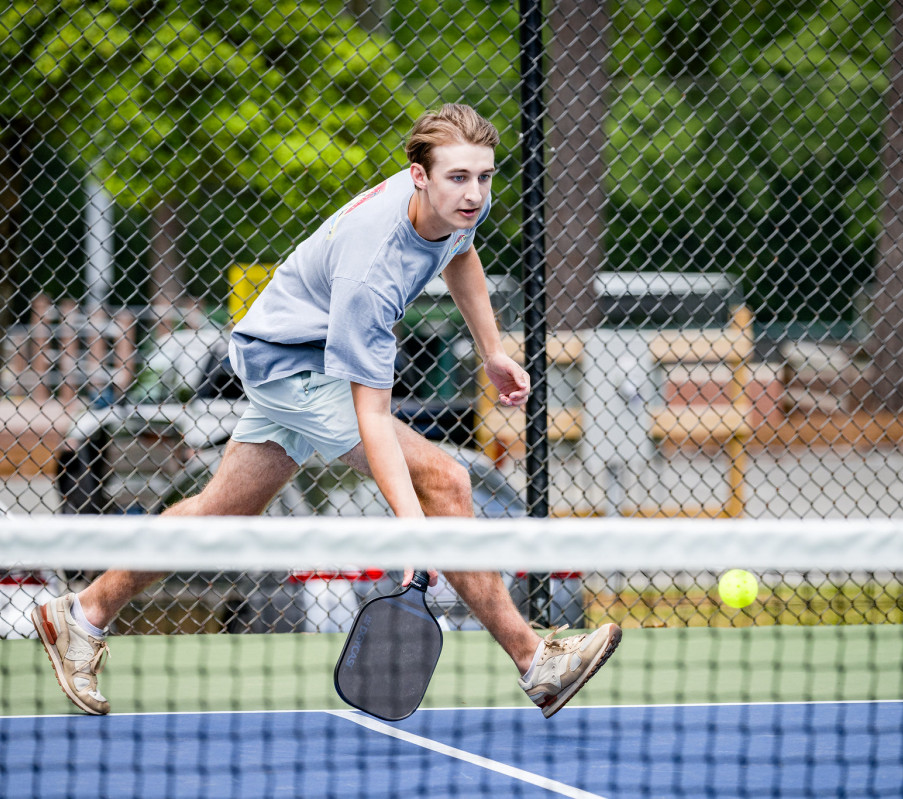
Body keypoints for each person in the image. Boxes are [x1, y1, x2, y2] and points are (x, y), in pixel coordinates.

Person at [31, 103, 621, 719]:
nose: (475, 192)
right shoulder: (374, 269)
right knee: (445, 480)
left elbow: (461, 252)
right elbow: (372, 416)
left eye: (485, 176)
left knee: (218, 513)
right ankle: (536, 662)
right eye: (459, 178)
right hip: (289, 365)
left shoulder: (456, 201)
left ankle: (82, 613)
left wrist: (493, 349)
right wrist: (413, 531)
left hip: (288, 347)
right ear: (419, 176)